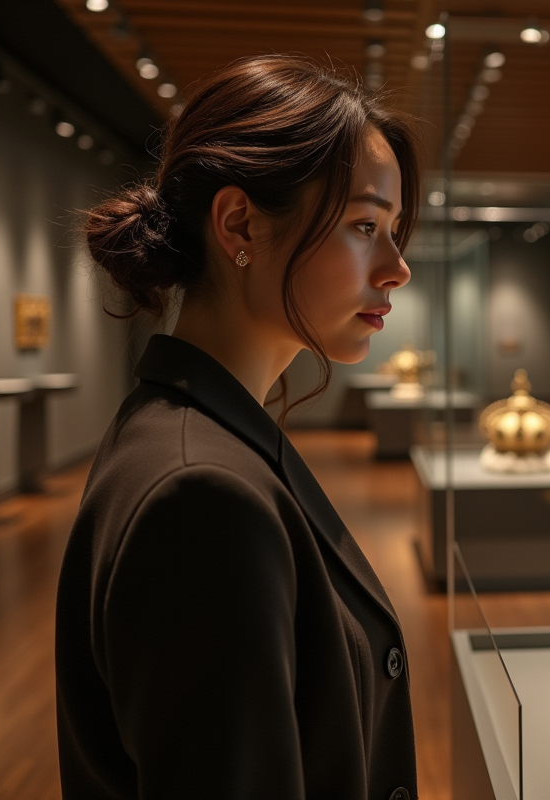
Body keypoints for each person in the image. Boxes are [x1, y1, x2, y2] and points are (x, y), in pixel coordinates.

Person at [55, 55, 418, 799]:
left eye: (394, 231)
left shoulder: (190, 436)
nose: (397, 268)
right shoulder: (202, 493)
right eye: (364, 226)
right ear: (239, 224)